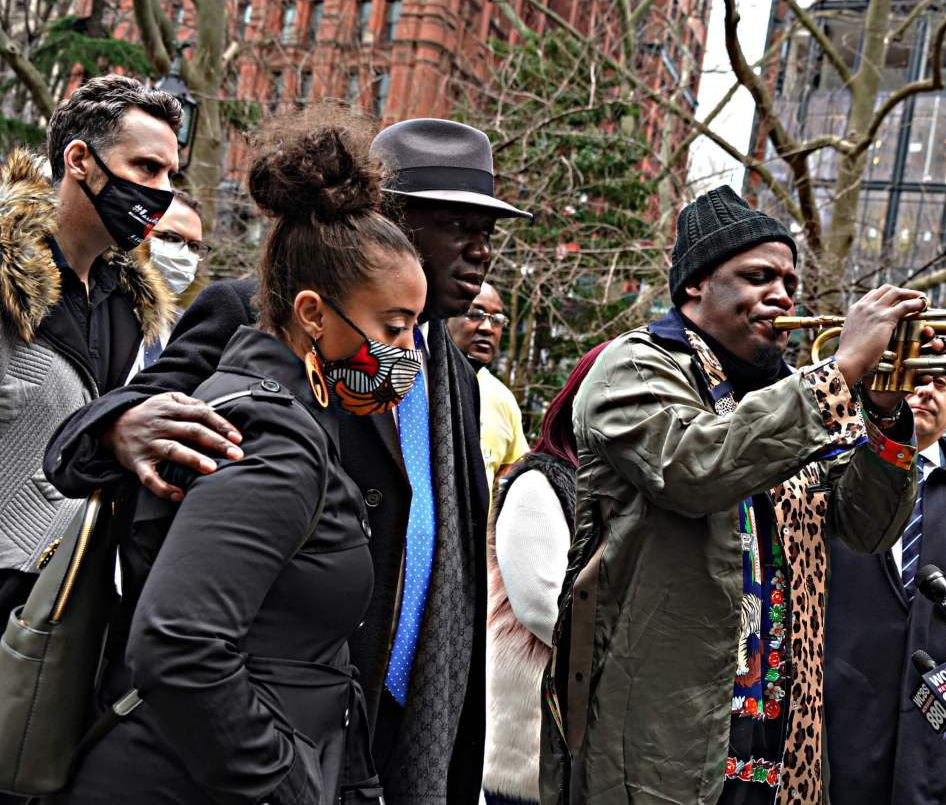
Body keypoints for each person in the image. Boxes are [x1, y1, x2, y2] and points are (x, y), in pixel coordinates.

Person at [44, 116, 530, 804]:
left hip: (394, 720)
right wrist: (123, 425)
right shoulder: (256, 312)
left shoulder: (453, 375)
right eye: (458, 227)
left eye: (490, 234)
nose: (482, 254)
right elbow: (79, 450)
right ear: (383, 222)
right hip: (249, 727)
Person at [542, 185, 936, 805]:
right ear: (696, 285)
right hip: (664, 726)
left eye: (788, 281)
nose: (781, 295)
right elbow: (694, 468)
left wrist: (885, 414)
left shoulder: (793, 395)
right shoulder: (635, 367)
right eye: (758, 277)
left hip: (784, 733)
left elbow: (866, 530)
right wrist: (840, 372)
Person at [0, 75, 179, 618]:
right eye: (146, 168)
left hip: (67, 599)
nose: (163, 191)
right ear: (79, 160)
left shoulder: (133, 310)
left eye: (172, 174)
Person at [823, 370, 946, 805]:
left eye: (941, 382)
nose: (926, 390)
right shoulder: (826, 478)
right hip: (833, 739)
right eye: (912, 377)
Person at [483, 341, 609, 805]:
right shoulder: (540, 482)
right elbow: (546, 608)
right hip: (530, 748)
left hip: (597, 746)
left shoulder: (621, 490)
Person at [447, 282, 529, 493]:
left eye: (497, 320)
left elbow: (513, 475)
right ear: (446, 319)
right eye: (475, 315)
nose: (487, 328)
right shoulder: (418, 383)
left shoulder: (503, 399)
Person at [127, 190, 209, 378]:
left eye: (194, 246)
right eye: (171, 238)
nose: (184, 254)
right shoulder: (99, 305)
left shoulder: (186, 331)